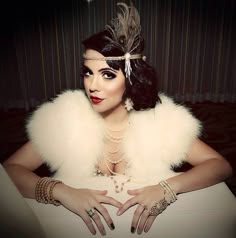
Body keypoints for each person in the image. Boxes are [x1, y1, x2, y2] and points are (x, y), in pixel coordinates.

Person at [2, 2, 233, 236]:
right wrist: (61, 191)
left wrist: (167, 188)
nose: (92, 85)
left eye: (107, 75)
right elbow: (10, 170)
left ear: (131, 79)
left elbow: (220, 166)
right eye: (87, 73)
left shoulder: (160, 120)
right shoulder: (67, 117)